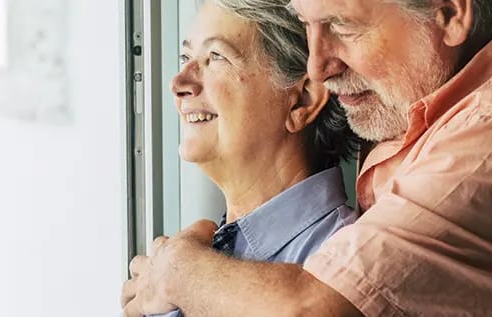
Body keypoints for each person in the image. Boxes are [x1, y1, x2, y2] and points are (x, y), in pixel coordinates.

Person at [121, 0, 492, 315]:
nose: (319, 65)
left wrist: (176, 271)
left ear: (448, 13)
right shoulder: (421, 99)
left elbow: (313, 308)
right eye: (308, 25)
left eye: (342, 24)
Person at [121, 0, 362, 316]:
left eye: (215, 57)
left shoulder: (348, 266)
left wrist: (176, 273)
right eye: (186, 57)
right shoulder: (180, 259)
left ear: (302, 100)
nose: (178, 84)